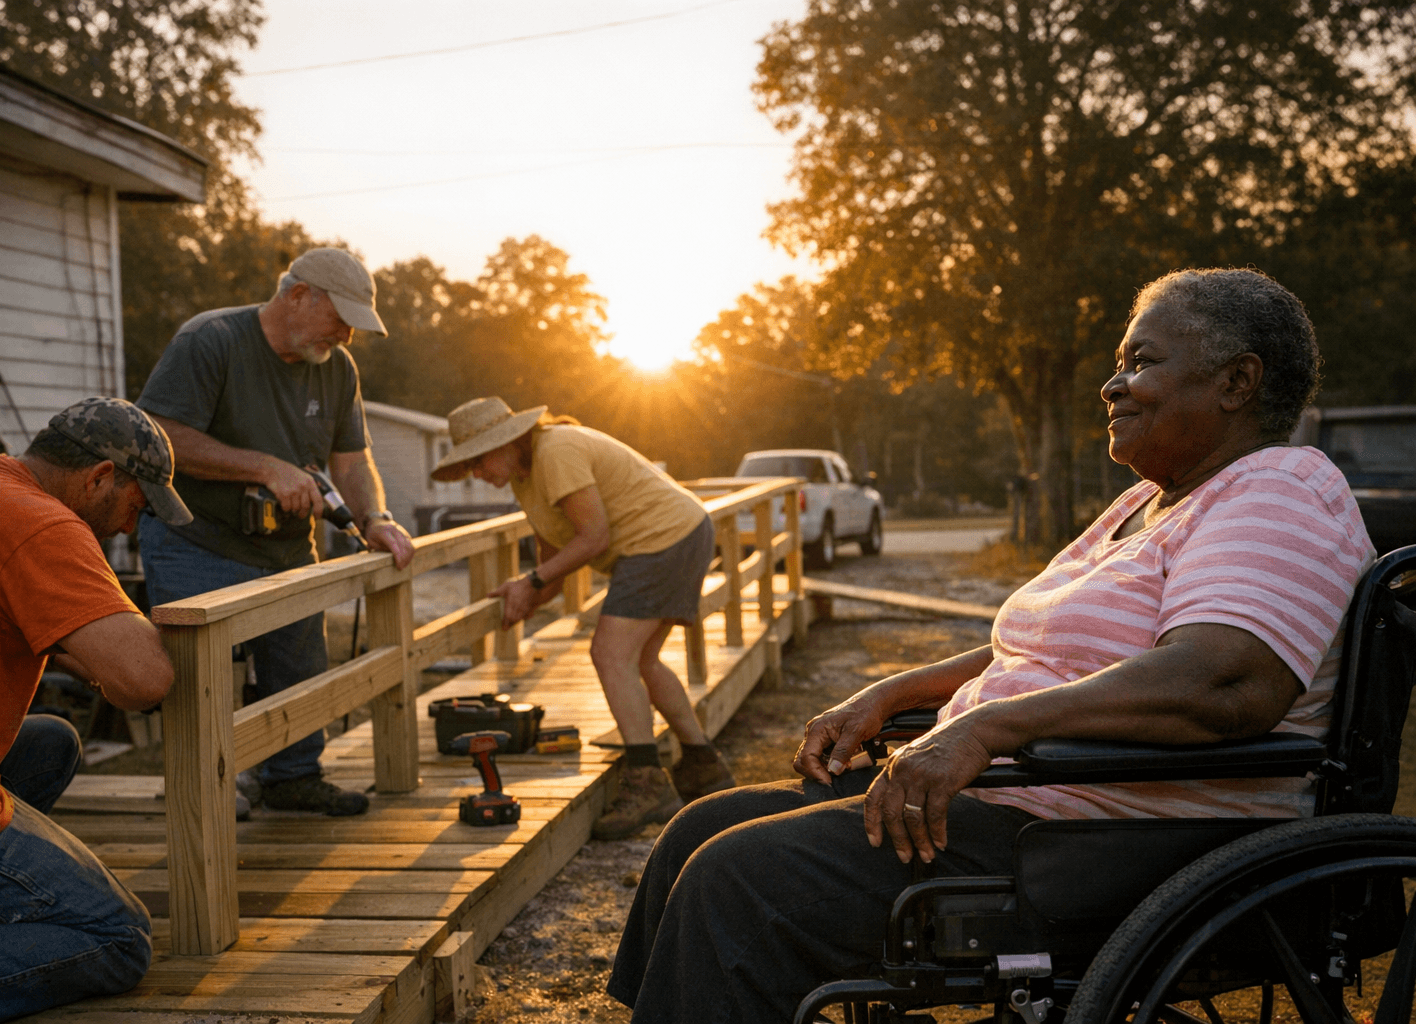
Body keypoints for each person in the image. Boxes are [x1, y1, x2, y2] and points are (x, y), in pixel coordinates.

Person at [606, 268, 1377, 1023]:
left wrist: (985, 728)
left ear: (1237, 382)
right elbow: (1040, 643)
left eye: (1142, 362)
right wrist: (895, 693)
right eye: (1119, 363)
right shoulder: (1149, 502)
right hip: (1021, 802)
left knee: (735, 879)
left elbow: (1223, 683)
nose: (1111, 386)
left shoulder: (1275, 490)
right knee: (696, 831)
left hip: (1108, 841)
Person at [0, 397, 191, 1023]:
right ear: (99, 477)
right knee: (117, 936)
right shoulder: (41, 524)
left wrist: (79, 641)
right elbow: (144, 679)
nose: (130, 529)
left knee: (51, 743)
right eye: (136, 507)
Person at [136, 247, 415, 817]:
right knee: (198, 675)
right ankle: (202, 788)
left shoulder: (337, 367)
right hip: (195, 538)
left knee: (297, 664)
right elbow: (160, 435)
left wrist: (375, 519)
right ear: (298, 296)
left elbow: (351, 461)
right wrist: (265, 467)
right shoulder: (210, 340)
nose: (347, 335)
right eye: (340, 319)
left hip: (285, 546)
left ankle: (293, 777)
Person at [431, 397, 738, 839]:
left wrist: (531, 582)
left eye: (478, 461)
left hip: (663, 539)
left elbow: (594, 538)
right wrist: (526, 597)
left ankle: (647, 781)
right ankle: (702, 763)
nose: (476, 473)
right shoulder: (527, 478)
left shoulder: (556, 451)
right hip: (677, 534)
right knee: (642, 660)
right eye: (468, 466)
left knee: (610, 655)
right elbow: (555, 560)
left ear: (508, 442)